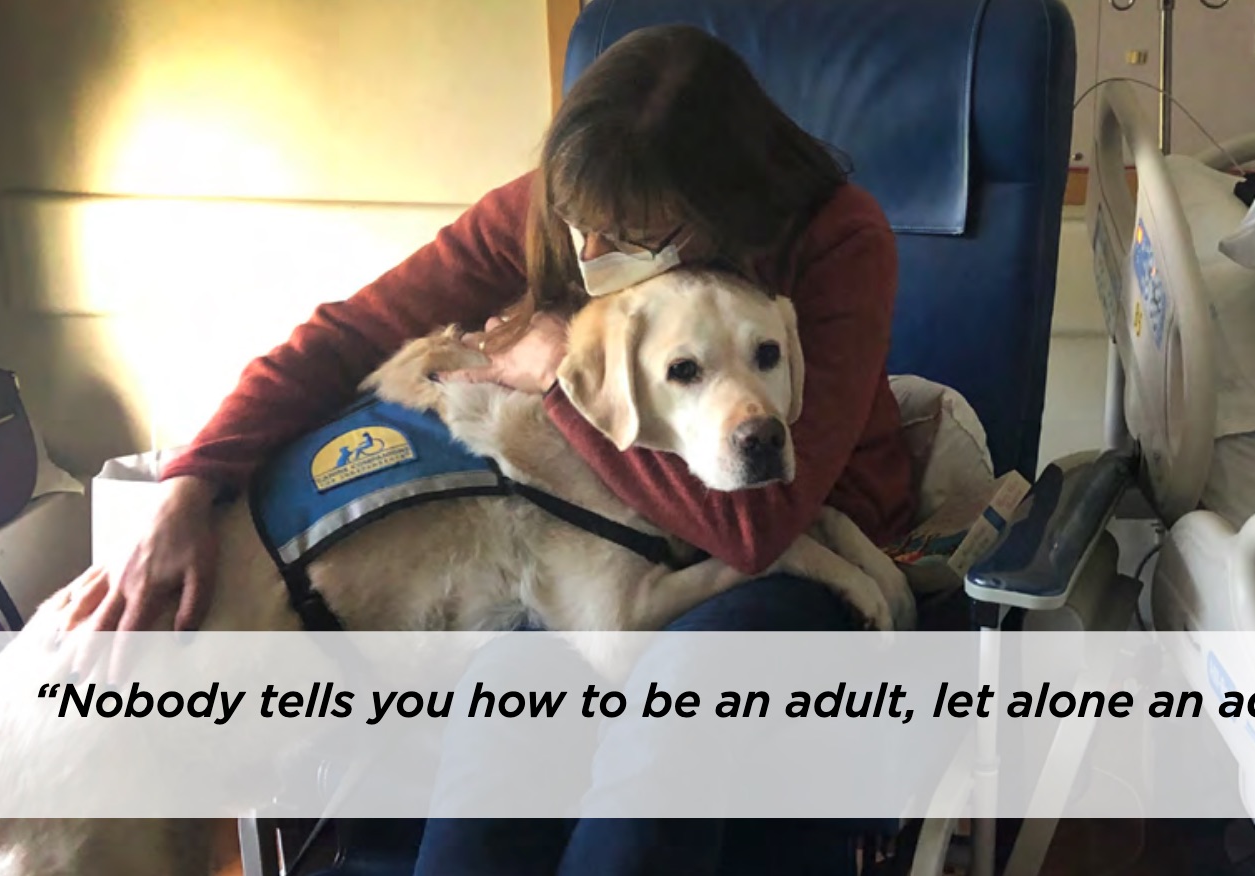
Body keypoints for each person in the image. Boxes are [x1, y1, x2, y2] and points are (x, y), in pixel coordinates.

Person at [58, 24, 913, 875]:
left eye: (630, 239)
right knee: (505, 719)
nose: (591, 255)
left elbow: (758, 524)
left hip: (802, 523)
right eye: (584, 228)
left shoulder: (839, 241)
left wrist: (559, 382)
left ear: (720, 210)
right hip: (600, 533)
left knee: (669, 723)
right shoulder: (570, 210)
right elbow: (352, 334)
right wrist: (189, 482)